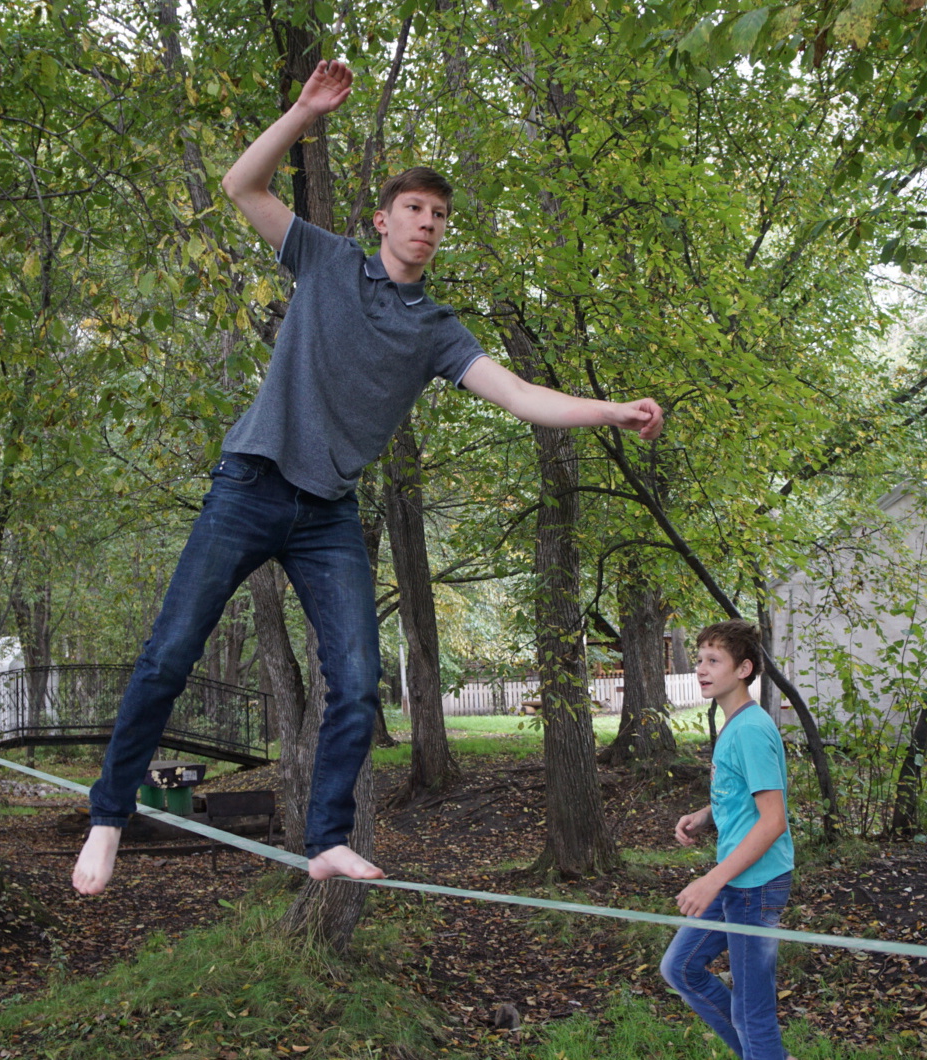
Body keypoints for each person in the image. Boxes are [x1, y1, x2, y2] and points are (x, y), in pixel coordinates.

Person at [72, 58, 663, 895]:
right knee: (170, 653)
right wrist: (304, 112)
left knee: (355, 680)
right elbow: (243, 185)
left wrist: (611, 410)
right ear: (383, 218)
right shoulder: (327, 261)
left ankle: (324, 839)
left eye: (440, 216)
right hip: (249, 485)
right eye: (414, 210)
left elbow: (523, 396)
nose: (427, 224)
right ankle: (107, 817)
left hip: (326, 516)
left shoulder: (437, 331)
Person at [659, 619, 797, 1060]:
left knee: (752, 1012)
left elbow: (773, 821)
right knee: (680, 968)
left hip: (754, 886)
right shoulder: (732, 723)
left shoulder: (752, 729)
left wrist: (711, 880)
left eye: (713, 660)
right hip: (737, 880)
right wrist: (706, 814)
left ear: (743, 669)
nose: (701, 668)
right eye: (699, 659)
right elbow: (744, 797)